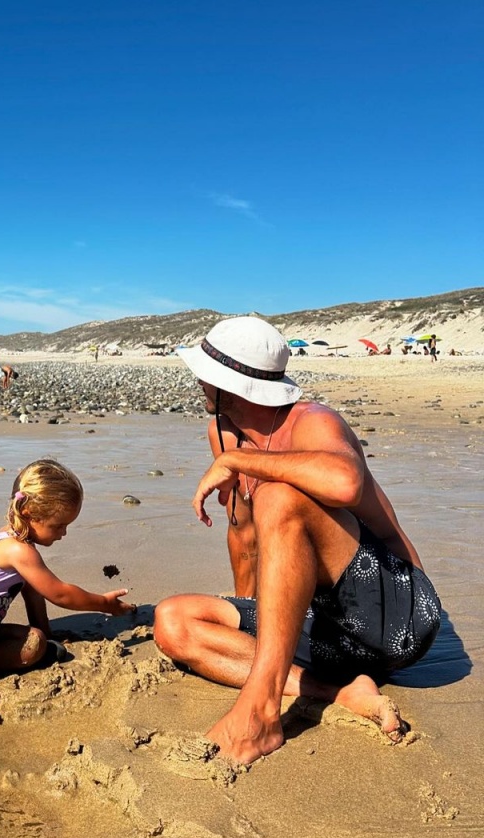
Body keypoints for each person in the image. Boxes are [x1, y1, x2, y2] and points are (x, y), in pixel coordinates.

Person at [153, 317, 441, 765]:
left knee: (279, 497)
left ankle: (261, 711)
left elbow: (346, 483)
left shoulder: (312, 421)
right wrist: (248, 617)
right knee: (174, 621)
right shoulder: (224, 430)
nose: (197, 383)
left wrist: (240, 460)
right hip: (325, 627)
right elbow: (243, 532)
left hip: (396, 617)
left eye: (203, 375)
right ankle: (339, 692)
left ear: (228, 386)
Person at [0, 458, 136, 723]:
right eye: (58, 525)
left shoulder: (24, 546)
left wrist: (45, 630)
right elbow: (60, 594)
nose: (64, 533)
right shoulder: (14, 548)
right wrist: (103, 603)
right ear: (30, 514)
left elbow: (33, 589)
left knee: (36, 644)